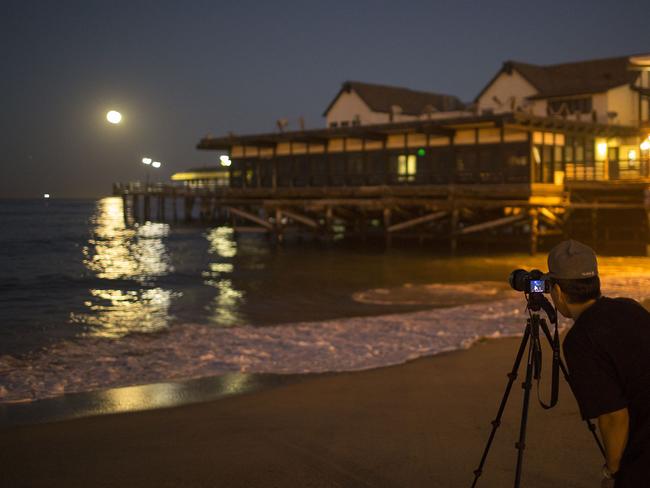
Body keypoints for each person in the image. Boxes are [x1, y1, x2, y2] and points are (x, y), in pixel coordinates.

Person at [546, 239, 650, 487]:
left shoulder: (580, 340)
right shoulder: (629, 307)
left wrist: (612, 471)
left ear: (558, 292)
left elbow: (614, 415)